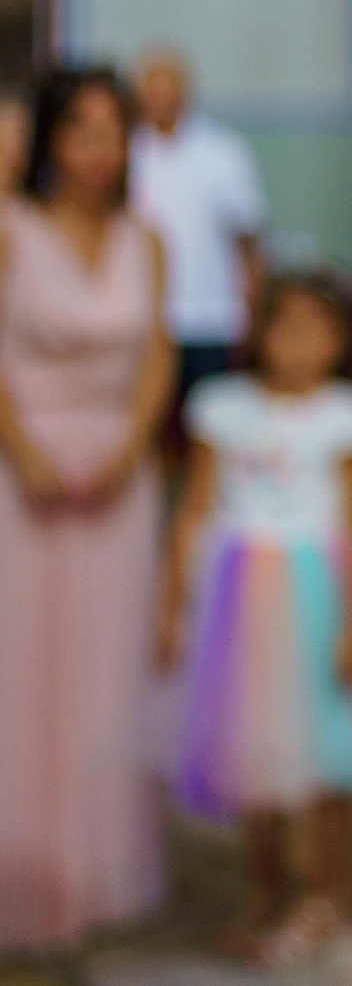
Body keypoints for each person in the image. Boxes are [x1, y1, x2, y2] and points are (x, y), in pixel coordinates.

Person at [158, 272, 352, 964]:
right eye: (285, 324)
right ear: (259, 330)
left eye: (317, 327)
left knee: (328, 753)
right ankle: (266, 886)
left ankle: (325, 891)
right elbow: (194, 506)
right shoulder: (220, 407)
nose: (299, 342)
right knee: (252, 749)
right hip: (236, 601)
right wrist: (171, 604)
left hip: (319, 596)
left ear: (340, 340)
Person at [0, 66, 171, 951]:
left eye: (113, 130)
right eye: (81, 128)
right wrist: (25, 454)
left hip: (116, 474)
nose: (98, 148)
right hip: (20, 471)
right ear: (47, 138)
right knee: (21, 669)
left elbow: (157, 355)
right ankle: (21, 871)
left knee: (105, 669)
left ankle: (96, 868)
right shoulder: (10, 230)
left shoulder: (148, 238)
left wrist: (131, 447)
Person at [130, 45, 267, 441]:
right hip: (146, 321)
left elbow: (248, 239)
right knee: (149, 433)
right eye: (150, 89)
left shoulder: (223, 152)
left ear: (186, 91)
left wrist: (253, 313)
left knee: (212, 432)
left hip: (213, 320)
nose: (159, 99)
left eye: (167, 87)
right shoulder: (127, 153)